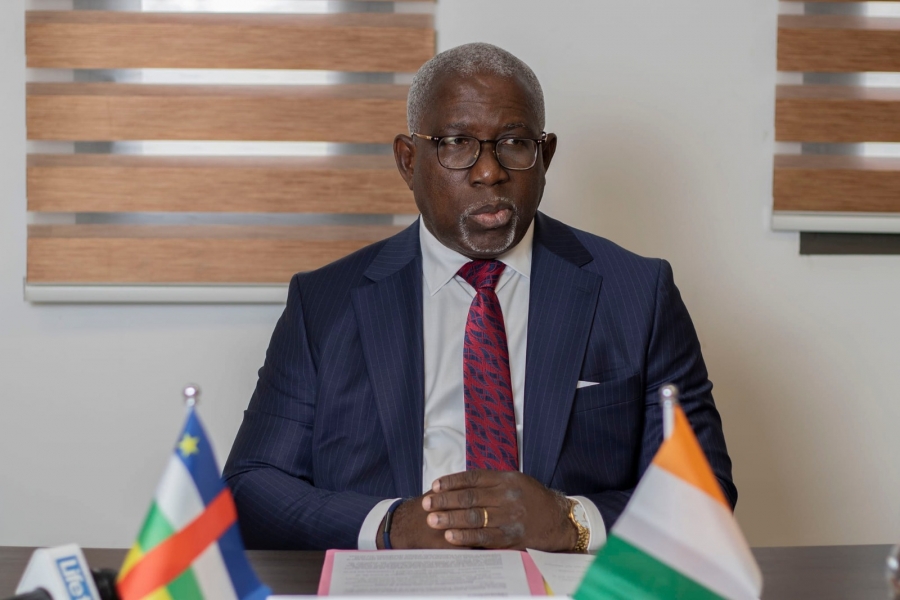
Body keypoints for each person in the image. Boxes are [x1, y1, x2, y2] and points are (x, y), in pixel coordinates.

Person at [223, 42, 735, 553]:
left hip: (563, 578)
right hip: (392, 579)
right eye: (456, 143)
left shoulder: (638, 294)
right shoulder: (324, 303)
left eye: (514, 143)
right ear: (408, 160)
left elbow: (703, 491)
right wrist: (391, 526)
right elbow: (252, 486)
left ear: (545, 156)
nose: (489, 171)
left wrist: (570, 521)